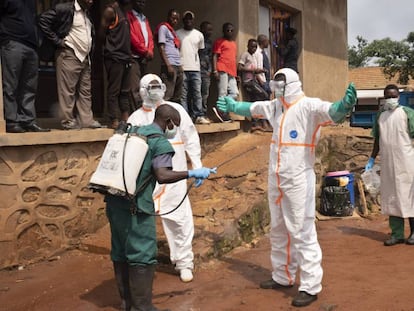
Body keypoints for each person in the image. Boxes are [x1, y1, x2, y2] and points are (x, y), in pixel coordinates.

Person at [216, 68, 357, 307]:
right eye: (275, 82)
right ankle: (282, 276)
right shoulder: (275, 106)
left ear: (291, 84)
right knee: (278, 229)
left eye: (280, 82)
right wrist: (232, 105)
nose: (276, 86)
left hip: (298, 179)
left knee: (302, 230)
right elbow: (252, 109)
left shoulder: (309, 106)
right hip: (276, 177)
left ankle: (310, 286)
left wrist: (344, 105)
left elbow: (332, 112)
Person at [106, 104, 216, 311]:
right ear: (169, 123)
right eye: (175, 126)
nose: (174, 130)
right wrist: (192, 173)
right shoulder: (160, 143)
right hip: (136, 206)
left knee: (120, 251)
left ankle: (126, 304)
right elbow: (163, 175)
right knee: (143, 254)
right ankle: (143, 307)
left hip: (114, 201)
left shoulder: (134, 131)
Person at [128, 73, 202, 283]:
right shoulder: (136, 118)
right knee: (142, 223)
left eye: (158, 85)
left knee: (181, 220)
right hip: (147, 181)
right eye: (150, 86)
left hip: (173, 174)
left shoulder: (176, 111)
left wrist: (196, 164)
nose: (155, 89)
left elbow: (190, 136)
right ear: (143, 90)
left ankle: (184, 262)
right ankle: (142, 265)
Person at [38, 0, 103, 130]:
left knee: (85, 91)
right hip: (69, 53)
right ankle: (67, 121)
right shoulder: (65, 9)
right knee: (67, 90)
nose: (91, 1)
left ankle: (86, 120)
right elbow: (42, 20)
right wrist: (58, 41)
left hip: (84, 57)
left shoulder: (86, 13)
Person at [365, 84, 414, 246]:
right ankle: (397, 234)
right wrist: (371, 159)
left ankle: (413, 233)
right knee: (392, 198)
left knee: (409, 197)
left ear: (398, 97)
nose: (391, 99)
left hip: (407, 163)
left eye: (393, 96)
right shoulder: (381, 116)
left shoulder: (407, 113)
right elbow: (377, 141)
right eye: (388, 96)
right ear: (384, 98)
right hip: (388, 165)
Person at [0, 0, 50, 133]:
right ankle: (12, 121)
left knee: (29, 87)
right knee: (11, 85)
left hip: (31, 45)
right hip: (12, 42)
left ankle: (28, 120)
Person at [101, 0, 133, 129]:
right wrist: (111, 48)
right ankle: (113, 119)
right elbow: (101, 34)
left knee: (125, 91)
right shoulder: (110, 11)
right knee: (114, 90)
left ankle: (125, 120)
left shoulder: (125, 13)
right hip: (114, 57)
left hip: (126, 58)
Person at [176, 11, 211, 124]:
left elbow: (201, 52)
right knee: (183, 94)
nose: (188, 21)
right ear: (183, 20)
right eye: (186, 19)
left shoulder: (199, 35)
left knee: (197, 93)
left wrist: (197, 63)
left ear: (193, 20)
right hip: (182, 68)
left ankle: (198, 115)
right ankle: (185, 117)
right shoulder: (177, 33)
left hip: (195, 69)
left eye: (190, 19)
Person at [127, 0, 154, 109]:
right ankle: (136, 112)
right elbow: (132, 37)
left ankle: (145, 110)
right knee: (134, 87)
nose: (142, 4)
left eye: (144, 2)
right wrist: (144, 51)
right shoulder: (129, 16)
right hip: (134, 57)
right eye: (139, 1)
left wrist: (150, 50)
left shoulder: (144, 18)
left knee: (144, 86)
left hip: (144, 58)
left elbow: (150, 37)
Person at [237, 38, 268, 131]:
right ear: (248, 46)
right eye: (252, 46)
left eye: (255, 47)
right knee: (264, 95)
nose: (253, 49)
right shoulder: (245, 55)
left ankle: (255, 124)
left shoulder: (253, 56)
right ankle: (259, 121)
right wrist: (254, 71)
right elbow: (239, 67)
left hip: (253, 81)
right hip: (248, 82)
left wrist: (259, 72)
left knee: (254, 102)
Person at [212, 22, 239, 123]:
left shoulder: (234, 44)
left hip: (232, 72)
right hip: (222, 69)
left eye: (232, 30)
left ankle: (221, 108)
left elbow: (233, 58)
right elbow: (215, 56)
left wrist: (237, 74)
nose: (230, 32)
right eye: (227, 30)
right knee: (222, 93)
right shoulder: (219, 42)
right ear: (223, 31)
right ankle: (223, 113)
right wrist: (215, 70)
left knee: (235, 93)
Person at [155, 9, 183, 103]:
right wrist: (168, 65)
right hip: (170, 64)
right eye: (173, 18)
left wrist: (180, 66)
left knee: (177, 95)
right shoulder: (163, 28)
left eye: (177, 19)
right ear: (168, 17)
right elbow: (161, 47)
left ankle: (173, 116)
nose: (175, 21)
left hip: (177, 65)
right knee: (167, 94)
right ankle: (164, 116)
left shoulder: (173, 32)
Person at [199, 21, 213, 119]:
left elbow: (211, 56)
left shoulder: (210, 42)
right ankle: (196, 114)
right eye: (208, 29)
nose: (210, 32)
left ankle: (203, 113)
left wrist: (210, 70)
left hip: (206, 71)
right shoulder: (197, 39)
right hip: (196, 70)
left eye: (211, 30)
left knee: (205, 94)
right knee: (196, 93)